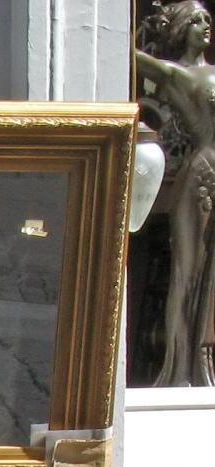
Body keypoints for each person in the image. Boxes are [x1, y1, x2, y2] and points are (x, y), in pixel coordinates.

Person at [137, 0, 215, 385]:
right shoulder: (175, 75)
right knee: (188, 272)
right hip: (202, 173)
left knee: (211, 277)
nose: (204, 25)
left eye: (208, 19)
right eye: (196, 20)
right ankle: (178, 370)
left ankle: (205, 361)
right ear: (181, 27)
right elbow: (126, 53)